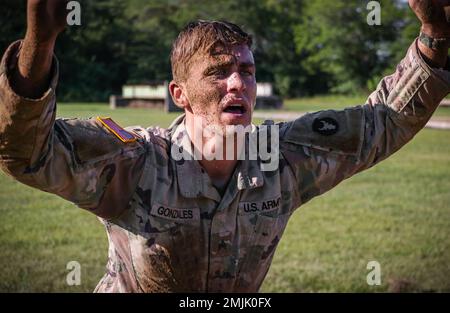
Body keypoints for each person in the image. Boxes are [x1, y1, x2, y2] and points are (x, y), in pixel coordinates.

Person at [0, 0, 449, 293]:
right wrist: (41, 39)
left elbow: (381, 123)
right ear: (179, 94)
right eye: (218, 71)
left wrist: (434, 36)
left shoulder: (284, 158)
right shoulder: (134, 162)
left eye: (247, 71)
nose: (238, 83)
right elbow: (26, 153)